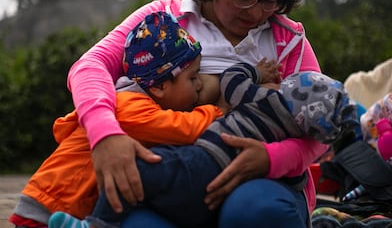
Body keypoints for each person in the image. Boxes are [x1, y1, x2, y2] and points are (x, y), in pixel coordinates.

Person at [63, 0, 328, 227]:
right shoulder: (165, 20)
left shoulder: (288, 40)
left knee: (256, 212)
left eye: (271, 0)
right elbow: (90, 66)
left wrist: (272, 159)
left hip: (262, 183)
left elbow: (322, 122)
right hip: (169, 178)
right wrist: (105, 135)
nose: (257, 12)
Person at [48, 63, 358, 228]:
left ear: (292, 93)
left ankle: (95, 225)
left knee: (142, 167)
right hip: (209, 179)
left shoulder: (269, 100)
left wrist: (257, 72)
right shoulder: (295, 127)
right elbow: (298, 174)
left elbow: (233, 82)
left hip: (203, 163)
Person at [9, 12, 233, 227]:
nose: (199, 84)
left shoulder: (131, 103)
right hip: (49, 208)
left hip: (61, 205)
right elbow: (186, 129)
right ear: (160, 86)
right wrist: (220, 110)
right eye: (192, 77)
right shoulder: (131, 108)